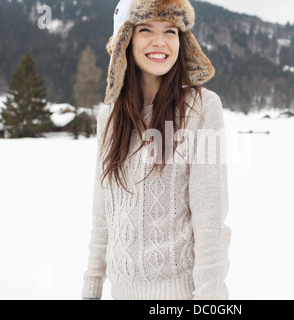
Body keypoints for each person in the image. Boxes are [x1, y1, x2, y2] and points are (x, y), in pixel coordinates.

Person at [82, 0, 231, 300]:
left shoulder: (201, 109)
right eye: (146, 29)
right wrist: (91, 288)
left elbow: (211, 224)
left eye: (171, 31)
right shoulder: (108, 119)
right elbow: (103, 216)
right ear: (125, 38)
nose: (160, 42)